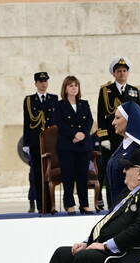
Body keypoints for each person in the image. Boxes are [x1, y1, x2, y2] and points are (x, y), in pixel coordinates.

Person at [97, 57, 140, 209]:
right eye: (119, 71)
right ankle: (111, 203)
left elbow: (138, 116)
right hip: (111, 137)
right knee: (110, 169)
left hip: (129, 137)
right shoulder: (105, 91)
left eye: (124, 71)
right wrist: (103, 137)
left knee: (129, 169)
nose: (122, 73)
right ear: (114, 73)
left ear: (128, 73)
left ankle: (128, 202)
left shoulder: (133, 91)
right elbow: (101, 114)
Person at [55, 76, 94, 215]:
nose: (74, 88)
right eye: (71, 85)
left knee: (83, 176)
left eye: (76, 85)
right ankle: (70, 204)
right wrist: (74, 134)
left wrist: (82, 134)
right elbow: (60, 123)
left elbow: (89, 121)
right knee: (68, 176)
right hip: (66, 145)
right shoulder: (60, 105)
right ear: (65, 89)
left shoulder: (84, 103)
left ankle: (84, 204)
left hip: (83, 145)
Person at [23, 72, 58, 214]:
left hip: (51, 142)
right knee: (38, 174)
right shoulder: (29, 100)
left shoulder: (54, 99)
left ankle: (51, 205)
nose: (43, 83)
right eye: (40, 81)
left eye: (45, 81)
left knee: (50, 173)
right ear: (36, 83)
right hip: (35, 141)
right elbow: (27, 121)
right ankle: (41, 205)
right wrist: (26, 143)